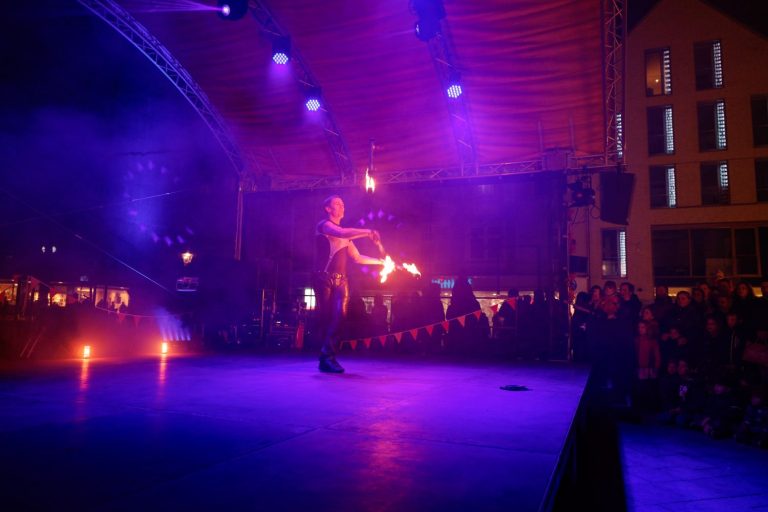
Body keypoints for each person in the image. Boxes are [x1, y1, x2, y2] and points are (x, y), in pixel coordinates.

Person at [313, 195, 385, 373]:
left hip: (342, 281)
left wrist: (380, 262)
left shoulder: (346, 236)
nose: (342, 206)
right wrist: (368, 232)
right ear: (328, 209)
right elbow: (342, 233)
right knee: (327, 318)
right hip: (323, 279)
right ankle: (325, 358)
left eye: (343, 204)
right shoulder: (324, 225)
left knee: (340, 317)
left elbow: (358, 258)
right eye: (338, 204)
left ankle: (328, 357)